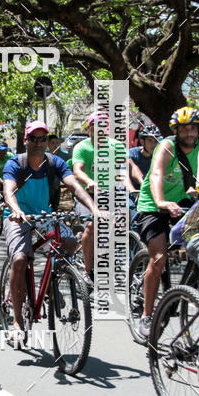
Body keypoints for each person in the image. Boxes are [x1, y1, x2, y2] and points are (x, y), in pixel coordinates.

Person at [2, 120, 99, 345]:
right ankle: (17, 323)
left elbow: (75, 186)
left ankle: (54, 281)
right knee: (19, 259)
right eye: (33, 139)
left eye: (42, 139)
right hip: (19, 216)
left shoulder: (55, 162)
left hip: (44, 215)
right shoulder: (16, 163)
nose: (38, 143)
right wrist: (16, 211)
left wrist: (94, 209)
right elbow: (8, 191)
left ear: (48, 142)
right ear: (25, 141)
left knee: (69, 243)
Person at [134, 106, 199, 338]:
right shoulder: (167, 146)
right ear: (176, 130)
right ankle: (146, 315)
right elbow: (156, 175)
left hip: (183, 203)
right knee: (159, 257)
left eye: (193, 128)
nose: (190, 133)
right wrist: (161, 201)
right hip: (153, 205)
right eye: (184, 129)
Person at [71, 111, 134, 286]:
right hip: (88, 195)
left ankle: (115, 259)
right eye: (94, 126)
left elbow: (124, 169)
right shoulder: (82, 147)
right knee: (92, 227)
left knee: (125, 219)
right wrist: (89, 181)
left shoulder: (116, 145)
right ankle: (88, 271)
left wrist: (132, 188)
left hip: (111, 193)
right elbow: (78, 170)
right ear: (89, 129)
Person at [129, 124, 162, 188]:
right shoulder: (131, 153)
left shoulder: (159, 156)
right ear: (142, 141)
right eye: (150, 140)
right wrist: (145, 184)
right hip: (131, 192)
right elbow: (133, 168)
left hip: (150, 191)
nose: (153, 144)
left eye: (156, 141)